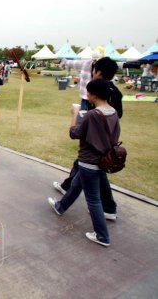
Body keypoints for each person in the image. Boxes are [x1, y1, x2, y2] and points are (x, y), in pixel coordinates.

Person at [48, 79, 121, 247]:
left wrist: (74, 115)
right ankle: (60, 206)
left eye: (88, 92)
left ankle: (102, 236)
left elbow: (75, 133)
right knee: (75, 184)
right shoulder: (113, 112)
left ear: (94, 94)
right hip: (103, 160)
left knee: (93, 199)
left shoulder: (92, 114)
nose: (87, 95)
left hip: (89, 162)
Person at [53, 57, 122, 220]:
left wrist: (77, 115)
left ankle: (106, 214)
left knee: (91, 183)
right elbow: (117, 116)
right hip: (105, 143)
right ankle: (65, 193)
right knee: (84, 168)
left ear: (97, 72)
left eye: (94, 70)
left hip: (93, 145)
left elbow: (75, 132)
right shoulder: (115, 93)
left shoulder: (97, 93)